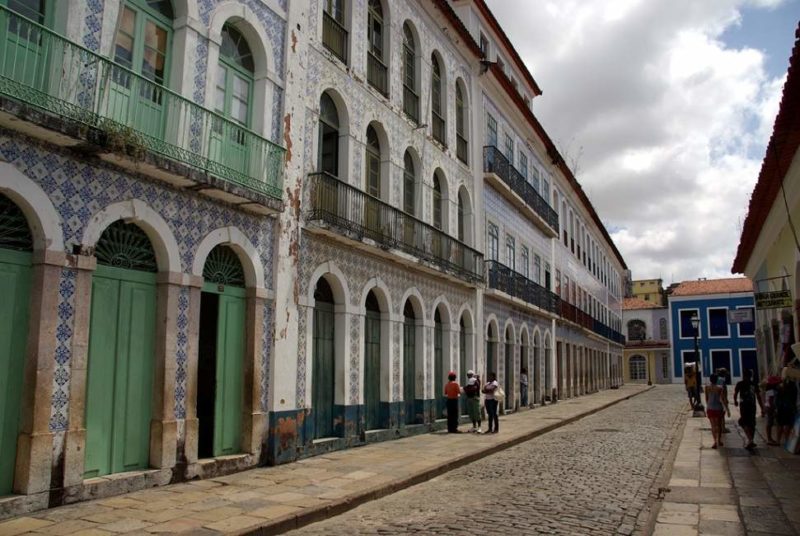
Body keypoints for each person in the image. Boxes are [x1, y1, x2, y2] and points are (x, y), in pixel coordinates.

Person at [734, 369, 764, 450]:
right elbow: (758, 396)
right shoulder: (754, 384)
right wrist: (762, 408)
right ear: (751, 376)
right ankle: (751, 440)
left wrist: (735, 401)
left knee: (743, 422)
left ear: (743, 375)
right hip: (752, 406)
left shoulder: (740, 383)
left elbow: (735, 393)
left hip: (744, 406)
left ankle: (750, 440)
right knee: (752, 423)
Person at [705, 373, 730, 449]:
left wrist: (708, 405)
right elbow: (722, 399)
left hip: (710, 408)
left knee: (713, 426)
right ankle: (719, 440)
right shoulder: (720, 388)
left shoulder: (707, 388)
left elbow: (706, 398)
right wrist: (727, 409)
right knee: (719, 425)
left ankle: (714, 441)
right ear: (717, 380)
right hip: (718, 408)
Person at [776, 374, 798, 445]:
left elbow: (777, 397)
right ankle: (786, 441)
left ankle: (778, 441)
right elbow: (794, 399)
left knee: (780, 424)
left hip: (781, 407)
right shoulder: (793, 387)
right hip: (789, 407)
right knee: (788, 424)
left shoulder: (780, 386)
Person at [764, 376, 781, 445]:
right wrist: (775, 409)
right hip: (770, 408)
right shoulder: (771, 391)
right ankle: (769, 439)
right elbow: (771, 401)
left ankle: (769, 438)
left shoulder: (769, 390)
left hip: (769, 407)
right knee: (770, 423)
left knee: (770, 423)